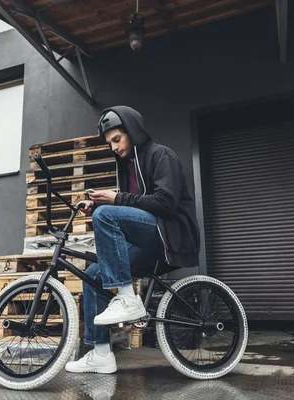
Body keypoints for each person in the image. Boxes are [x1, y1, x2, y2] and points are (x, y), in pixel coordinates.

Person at [65, 106, 200, 374]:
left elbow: (165, 203)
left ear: (133, 132)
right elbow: (133, 205)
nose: (113, 147)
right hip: (149, 238)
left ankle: (127, 298)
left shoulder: (161, 156)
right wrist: (99, 202)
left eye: (117, 139)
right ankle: (101, 352)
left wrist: (115, 201)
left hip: (172, 235)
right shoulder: (128, 169)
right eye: (109, 143)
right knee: (93, 273)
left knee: (106, 214)